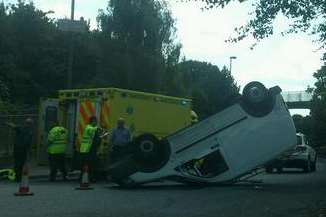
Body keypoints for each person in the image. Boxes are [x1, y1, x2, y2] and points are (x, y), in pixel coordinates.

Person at [7, 118, 34, 182]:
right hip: (23, 149)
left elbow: (13, 126)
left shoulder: (21, 128)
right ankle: (19, 177)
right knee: (21, 163)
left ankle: (18, 177)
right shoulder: (30, 131)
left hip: (17, 148)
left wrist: (7, 123)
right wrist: (29, 150)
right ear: (31, 124)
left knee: (17, 163)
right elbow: (29, 142)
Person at [79, 116, 99, 181]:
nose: (96, 122)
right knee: (89, 164)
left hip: (85, 149)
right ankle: (88, 178)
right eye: (96, 121)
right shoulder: (91, 128)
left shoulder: (88, 127)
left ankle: (83, 177)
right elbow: (96, 138)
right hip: (89, 149)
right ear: (93, 121)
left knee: (85, 164)